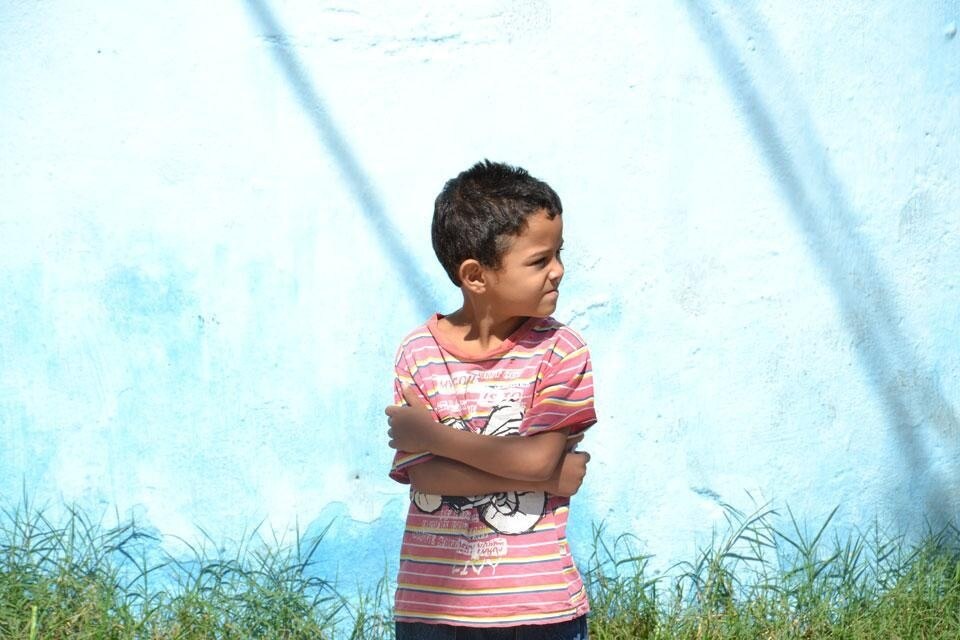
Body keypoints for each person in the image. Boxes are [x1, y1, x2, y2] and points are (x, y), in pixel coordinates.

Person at [386, 160, 597, 640]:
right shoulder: (418, 355)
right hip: (433, 610)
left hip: (538, 609)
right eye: (539, 260)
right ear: (476, 276)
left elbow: (538, 458)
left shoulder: (561, 350)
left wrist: (435, 437)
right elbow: (426, 475)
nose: (558, 271)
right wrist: (545, 475)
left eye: (559, 254)